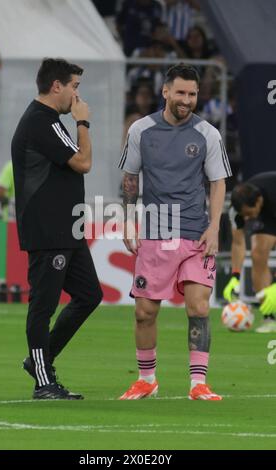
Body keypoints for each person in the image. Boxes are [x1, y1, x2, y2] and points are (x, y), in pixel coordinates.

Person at [118, 63, 231, 401]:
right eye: (180, 92)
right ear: (165, 91)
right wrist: (127, 220)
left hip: (196, 234)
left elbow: (217, 183)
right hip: (155, 233)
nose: (186, 99)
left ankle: (198, 384)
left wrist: (214, 228)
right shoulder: (141, 130)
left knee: (198, 307)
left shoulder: (208, 133)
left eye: (192, 94)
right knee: (144, 312)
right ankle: (146, 379)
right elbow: (130, 179)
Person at [11, 58, 103, 400]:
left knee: (90, 295)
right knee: (43, 305)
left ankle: (41, 359)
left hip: (67, 229)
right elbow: (83, 163)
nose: (77, 95)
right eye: (75, 87)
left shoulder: (49, 121)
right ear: (56, 86)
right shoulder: (40, 121)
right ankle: (42, 380)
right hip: (48, 230)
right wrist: (84, 123)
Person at [223, 172, 276, 333]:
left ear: (259, 201)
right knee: (257, 254)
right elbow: (238, 243)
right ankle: (269, 317)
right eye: (243, 215)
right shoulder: (237, 209)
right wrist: (235, 276)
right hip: (267, 215)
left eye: (248, 213)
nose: (246, 219)